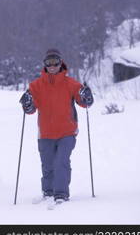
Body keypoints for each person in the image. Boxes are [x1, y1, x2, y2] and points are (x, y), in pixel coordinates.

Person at [19, 49, 94, 204]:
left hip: (67, 131)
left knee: (61, 161)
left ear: (61, 63)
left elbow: (83, 101)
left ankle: (61, 194)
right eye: (48, 62)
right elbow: (31, 109)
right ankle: (48, 192)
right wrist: (27, 104)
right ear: (44, 64)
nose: (52, 65)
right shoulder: (36, 86)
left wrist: (87, 96)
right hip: (45, 133)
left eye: (55, 62)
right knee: (47, 165)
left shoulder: (71, 83)